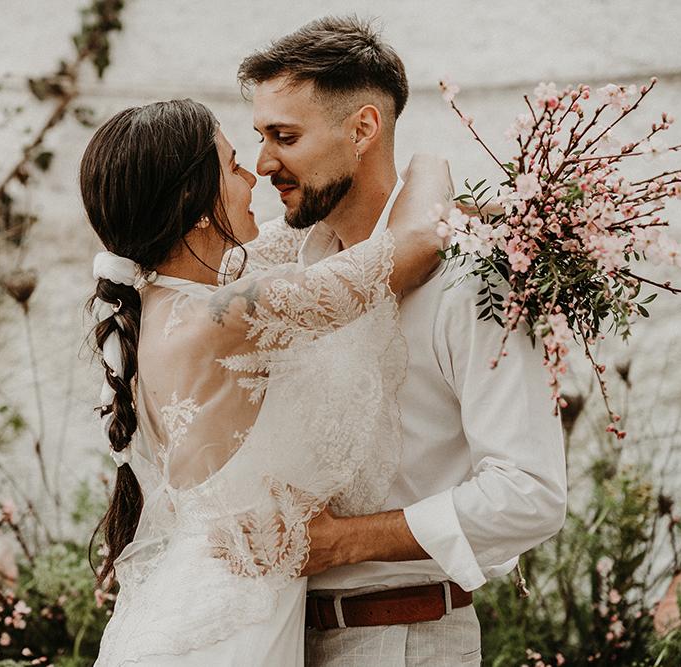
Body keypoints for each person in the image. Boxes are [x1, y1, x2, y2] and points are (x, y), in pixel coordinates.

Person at [236, 16, 568, 666]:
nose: (264, 163)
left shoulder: (472, 281)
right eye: (260, 137)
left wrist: (345, 542)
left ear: (362, 129)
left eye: (285, 136)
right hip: (273, 639)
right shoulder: (283, 266)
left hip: (406, 640)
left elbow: (531, 491)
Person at [82, 98, 451, 665]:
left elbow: (298, 237)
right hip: (228, 624)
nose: (252, 171)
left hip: (188, 606)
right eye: (232, 166)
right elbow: (418, 242)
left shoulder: (171, 305)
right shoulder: (227, 312)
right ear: (193, 201)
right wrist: (427, 161)